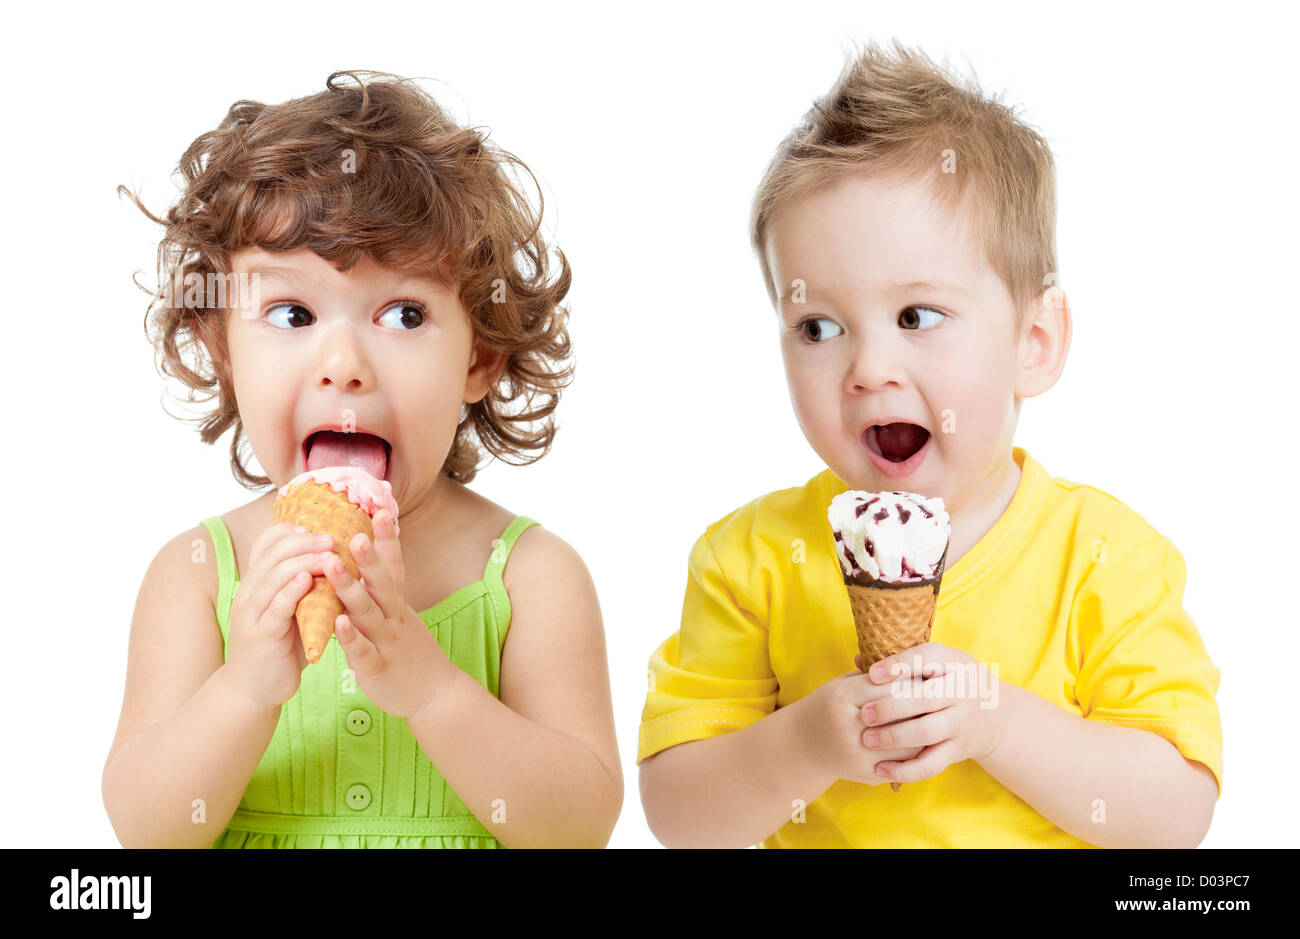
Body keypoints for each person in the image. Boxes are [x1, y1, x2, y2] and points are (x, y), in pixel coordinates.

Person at [638, 40, 1221, 848]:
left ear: (1036, 340)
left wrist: (997, 723)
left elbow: (1175, 816)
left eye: (916, 316)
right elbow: (680, 816)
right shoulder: (751, 559)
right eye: (818, 326)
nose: (869, 367)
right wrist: (807, 743)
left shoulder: (1106, 557)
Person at [102, 71, 621, 848]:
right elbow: (146, 831)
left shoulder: (529, 576)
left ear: (479, 356)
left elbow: (577, 826)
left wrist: (433, 688)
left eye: (403, 313)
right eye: (292, 313)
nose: (343, 361)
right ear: (223, 350)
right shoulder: (198, 572)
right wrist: (245, 689)